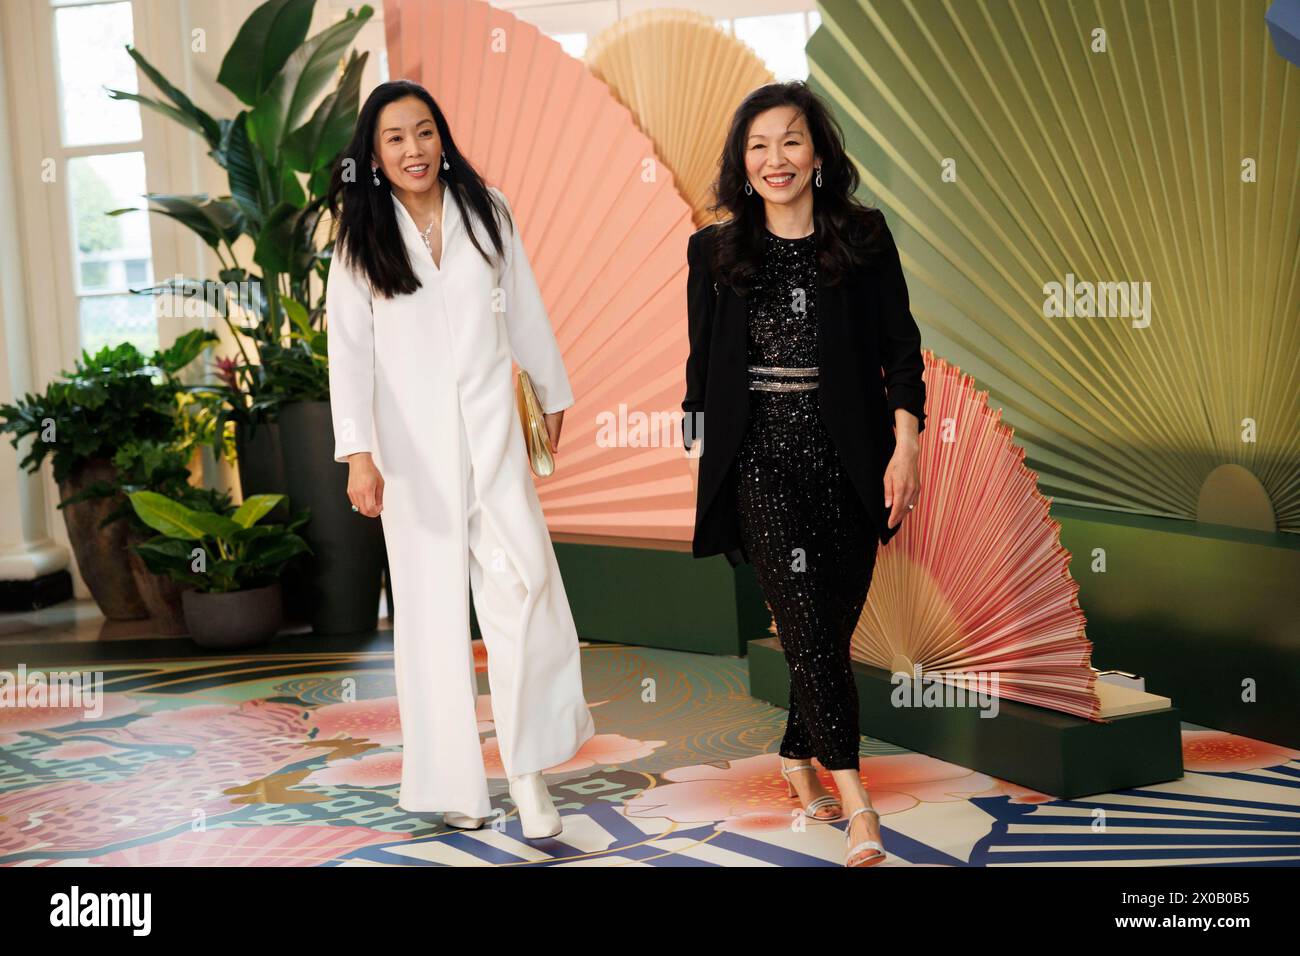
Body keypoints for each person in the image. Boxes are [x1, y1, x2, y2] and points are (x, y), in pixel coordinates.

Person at [325, 80, 595, 838]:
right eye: (394, 139)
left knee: (527, 589)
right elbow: (347, 354)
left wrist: (549, 389)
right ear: (374, 157)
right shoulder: (356, 241)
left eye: (424, 132)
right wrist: (359, 455)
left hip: (495, 437)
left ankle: (529, 774)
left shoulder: (489, 209)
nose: (413, 149)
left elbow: (527, 304)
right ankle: (455, 784)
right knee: (431, 618)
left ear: (442, 136)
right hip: (412, 458)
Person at [682, 81, 927, 867]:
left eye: (790, 141)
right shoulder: (714, 253)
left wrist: (907, 443)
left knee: (828, 628)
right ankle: (857, 805)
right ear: (740, 162)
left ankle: (796, 754)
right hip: (760, 464)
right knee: (809, 631)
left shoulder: (863, 238)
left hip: (849, 460)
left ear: (817, 152)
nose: (774, 158)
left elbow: (900, 350)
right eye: (757, 145)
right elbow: (700, 365)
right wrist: (702, 442)